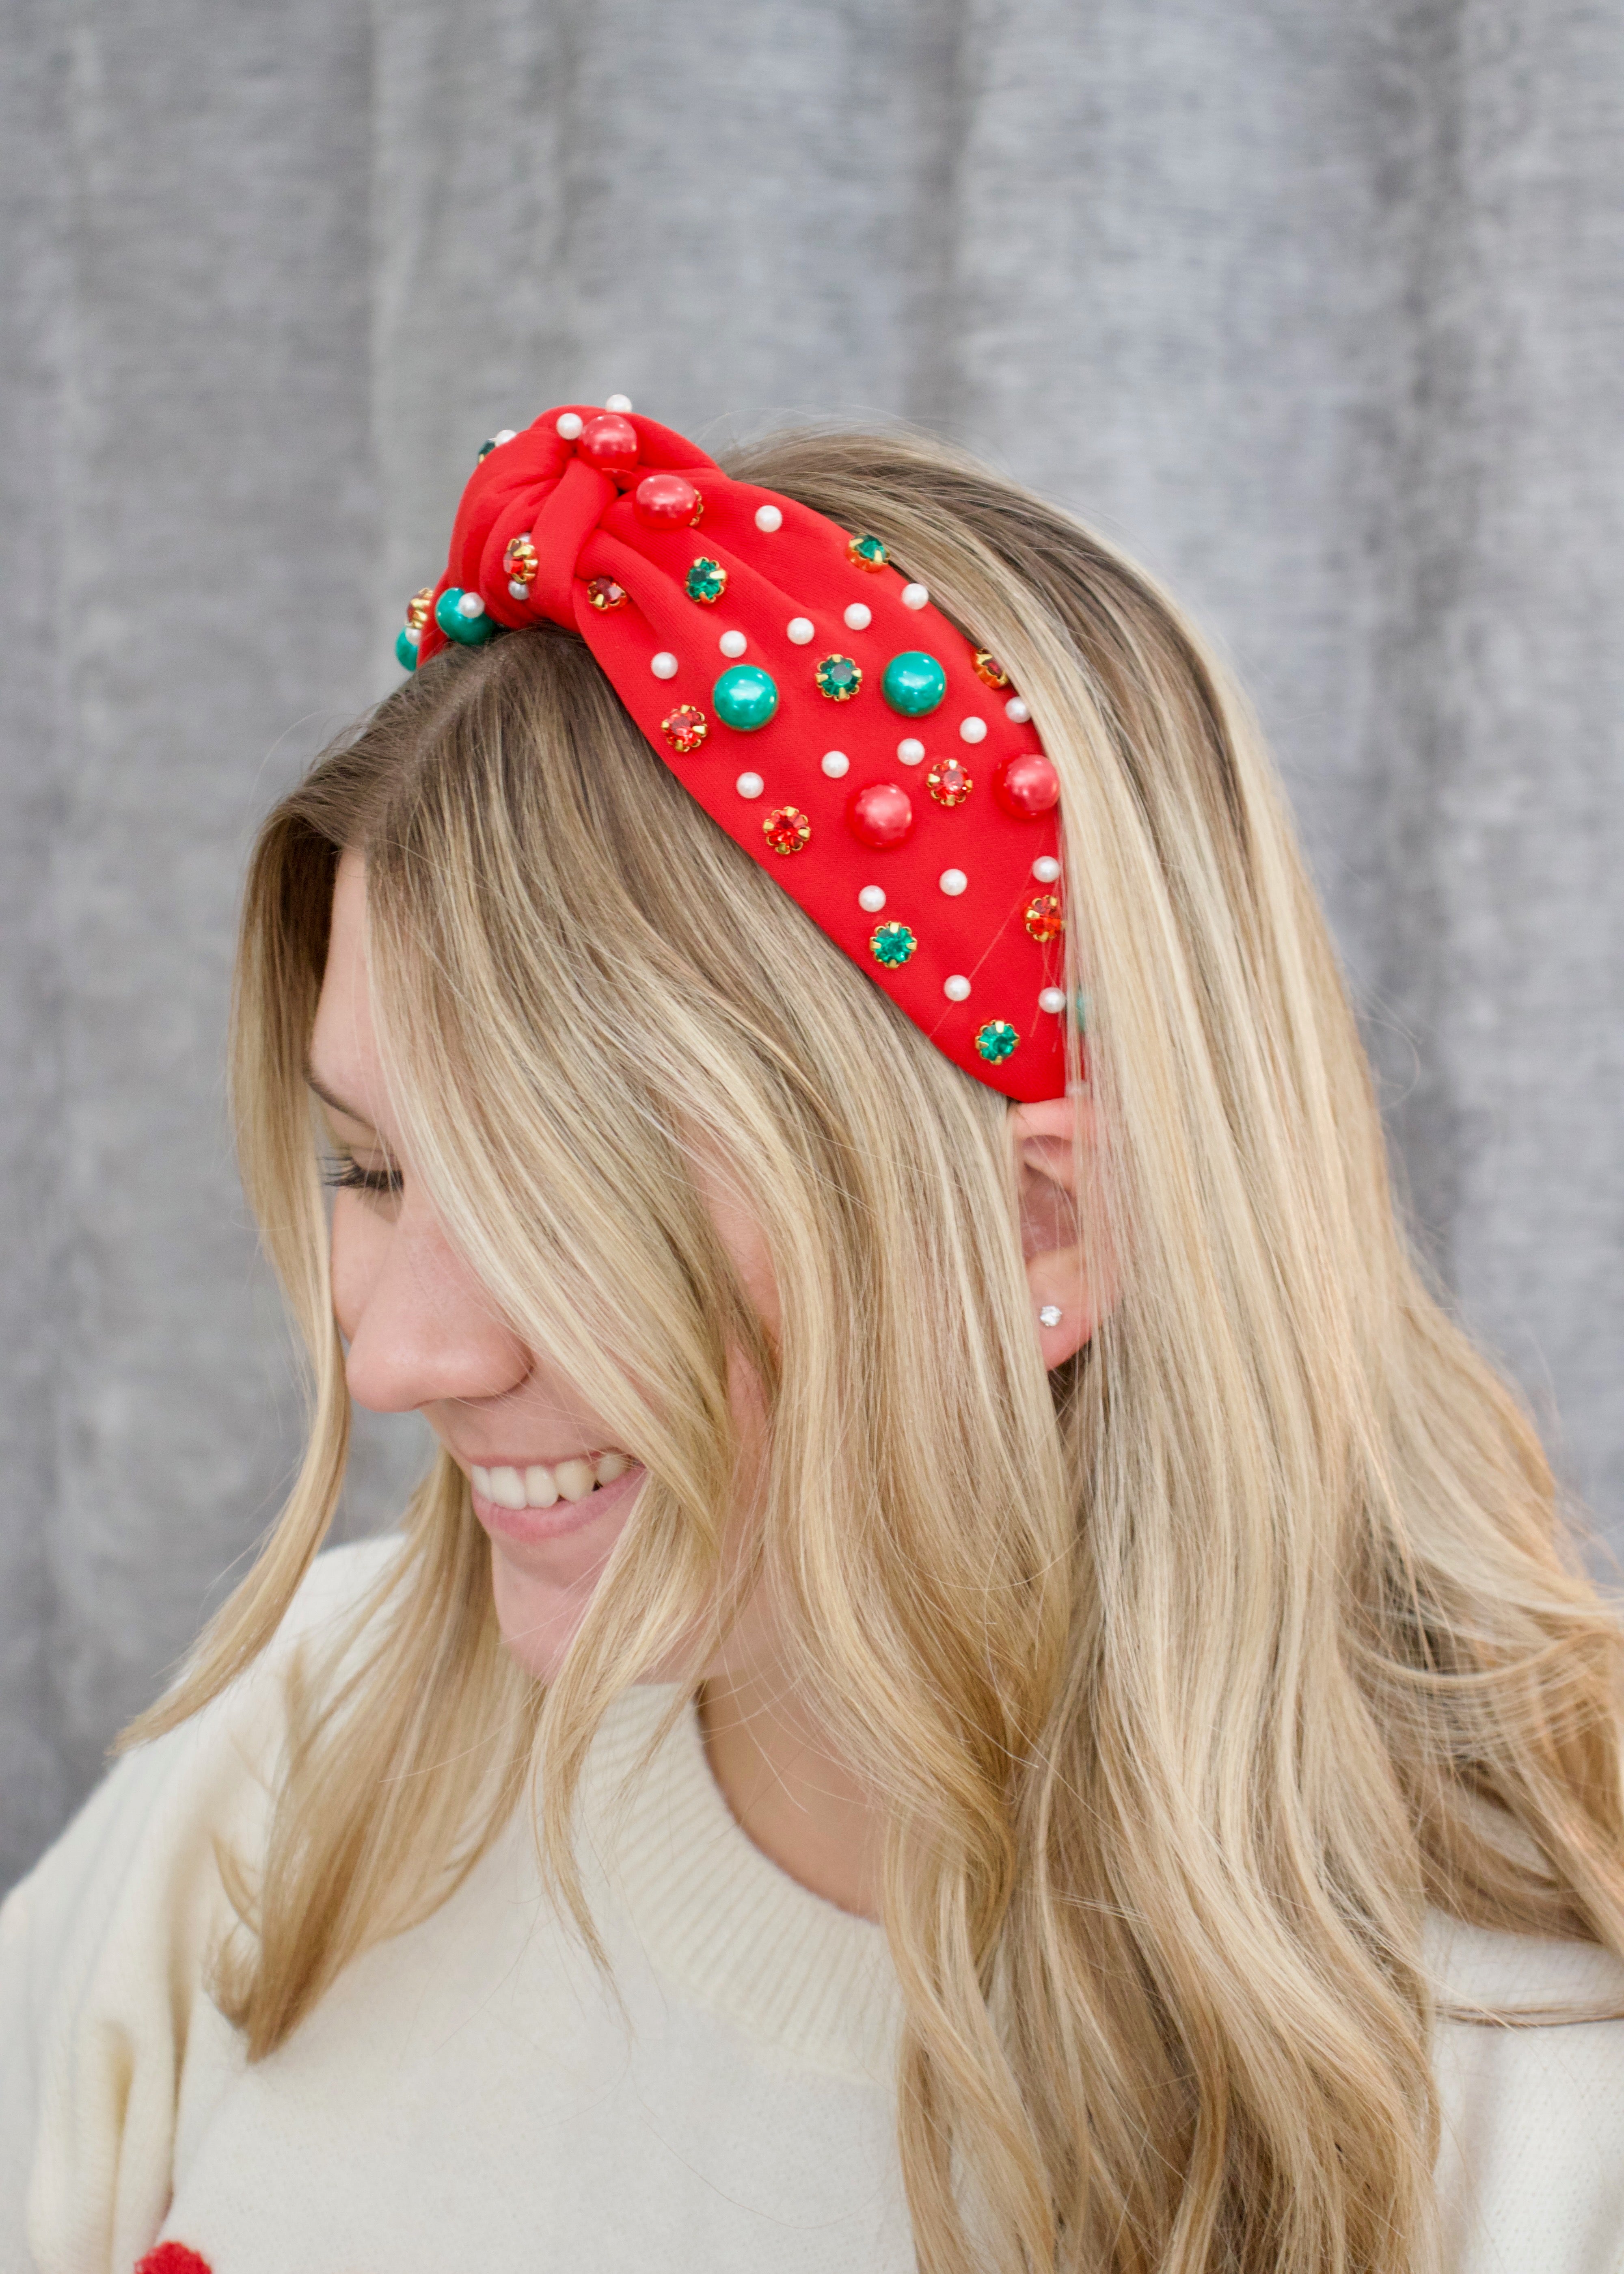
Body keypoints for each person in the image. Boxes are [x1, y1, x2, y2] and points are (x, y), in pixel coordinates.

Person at [2, 403, 1621, 2274]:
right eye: (369, 1167)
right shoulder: (302, 1751)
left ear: (1040, 1226)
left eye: (558, 1195)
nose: (398, 1361)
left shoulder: (1541, 2124)